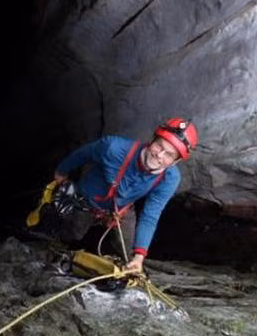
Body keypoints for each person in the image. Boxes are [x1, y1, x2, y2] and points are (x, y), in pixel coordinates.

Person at [50, 117, 198, 274]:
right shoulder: (113, 148)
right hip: (86, 202)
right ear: (152, 140)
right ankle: (54, 243)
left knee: (128, 254)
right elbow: (83, 154)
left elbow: (150, 215)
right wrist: (61, 172)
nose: (159, 155)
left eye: (169, 154)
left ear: (175, 161)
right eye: (159, 146)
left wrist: (139, 257)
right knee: (73, 234)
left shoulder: (169, 178)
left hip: (121, 210)